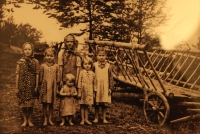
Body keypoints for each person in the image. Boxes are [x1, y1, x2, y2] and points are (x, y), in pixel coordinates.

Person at [16, 42, 39, 127]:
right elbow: (17, 74)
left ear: (32, 50)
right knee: (24, 104)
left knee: (30, 104)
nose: (27, 51)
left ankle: (30, 120)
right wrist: (17, 87)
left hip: (32, 85)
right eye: (25, 49)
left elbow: (37, 74)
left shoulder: (35, 61)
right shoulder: (20, 62)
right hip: (23, 85)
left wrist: (36, 86)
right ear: (23, 50)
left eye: (29, 49)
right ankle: (25, 120)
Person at [39, 47, 60, 126]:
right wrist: (40, 87)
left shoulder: (56, 66)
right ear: (45, 56)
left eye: (51, 56)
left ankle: (50, 119)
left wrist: (57, 88)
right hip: (45, 87)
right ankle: (45, 119)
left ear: (54, 56)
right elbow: (40, 78)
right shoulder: (43, 66)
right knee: (44, 104)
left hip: (53, 87)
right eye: (47, 55)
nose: (49, 57)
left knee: (51, 104)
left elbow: (58, 78)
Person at [93, 46, 114, 123]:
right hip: (97, 86)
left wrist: (110, 88)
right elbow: (92, 76)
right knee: (97, 103)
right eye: (99, 55)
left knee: (105, 103)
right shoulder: (94, 65)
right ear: (96, 56)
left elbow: (111, 77)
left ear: (106, 56)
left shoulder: (108, 66)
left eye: (103, 55)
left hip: (105, 86)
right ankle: (96, 117)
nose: (101, 57)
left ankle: (104, 118)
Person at [78, 56, 97, 125]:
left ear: (91, 65)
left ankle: (86, 119)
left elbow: (95, 84)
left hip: (89, 91)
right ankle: (82, 119)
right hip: (83, 91)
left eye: (89, 64)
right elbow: (79, 82)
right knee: (82, 106)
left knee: (87, 106)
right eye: (85, 64)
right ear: (83, 65)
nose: (87, 66)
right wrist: (79, 92)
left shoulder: (93, 74)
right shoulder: (82, 73)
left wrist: (94, 93)